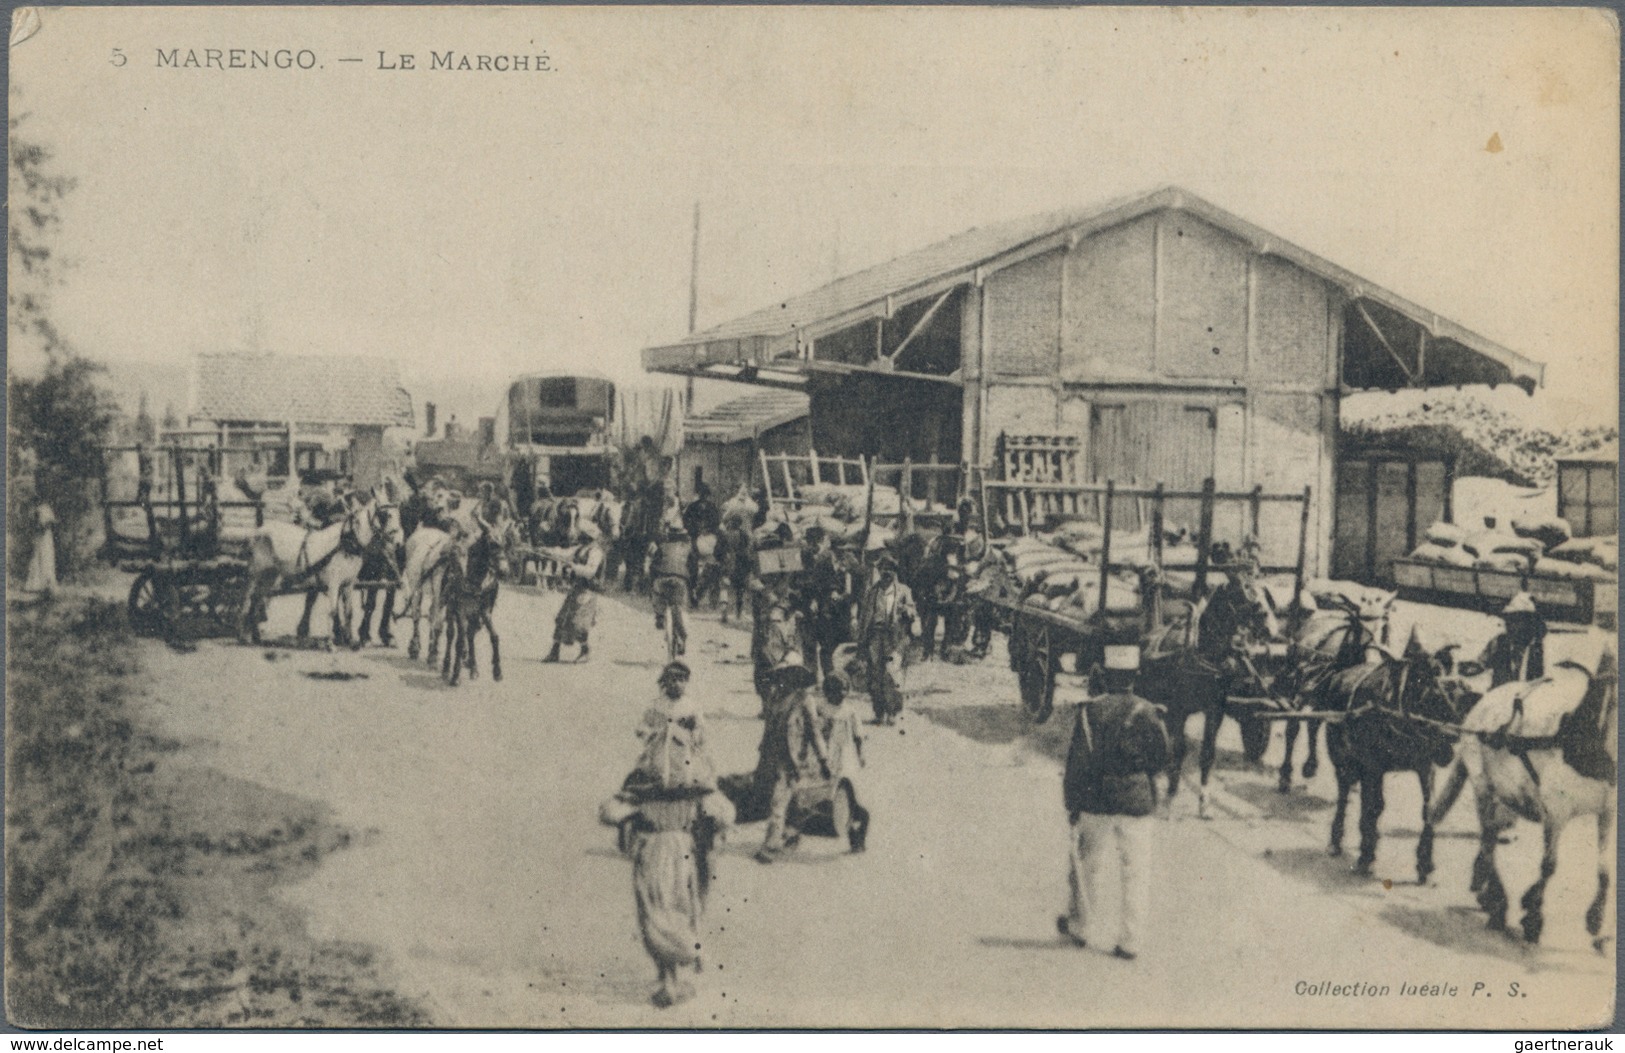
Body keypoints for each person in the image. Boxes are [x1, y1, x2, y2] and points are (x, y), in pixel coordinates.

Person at [611, 661, 734, 1008]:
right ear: (665, 682)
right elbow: (643, 732)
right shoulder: (655, 714)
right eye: (673, 679)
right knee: (665, 906)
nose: (678, 684)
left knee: (668, 906)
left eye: (684, 678)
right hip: (667, 847)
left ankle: (675, 970)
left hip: (671, 847)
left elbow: (702, 744)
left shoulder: (693, 780)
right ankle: (674, 971)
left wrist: (690, 735)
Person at [1057, 642, 1171, 961]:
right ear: (1135, 676)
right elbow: (1162, 757)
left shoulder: (1089, 712)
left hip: (1097, 800)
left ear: (1105, 676)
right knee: (1136, 872)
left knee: (1088, 865)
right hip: (1136, 802)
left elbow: (1076, 763)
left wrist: (1072, 804)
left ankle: (1081, 927)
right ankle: (1130, 941)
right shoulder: (1148, 711)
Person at [754, 662, 830, 864]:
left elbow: (814, 732)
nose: (786, 679)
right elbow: (769, 729)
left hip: (793, 758)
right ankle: (792, 831)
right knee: (791, 797)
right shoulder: (774, 698)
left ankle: (770, 845)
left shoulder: (805, 700)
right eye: (783, 675)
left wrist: (823, 759)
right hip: (773, 754)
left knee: (778, 801)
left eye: (791, 674)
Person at [857, 551, 917, 725]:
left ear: (895, 572)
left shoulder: (904, 591)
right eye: (883, 568)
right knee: (875, 675)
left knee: (892, 674)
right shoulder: (872, 592)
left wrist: (907, 611)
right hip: (875, 637)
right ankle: (879, 711)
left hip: (895, 638)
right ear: (879, 570)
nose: (887, 572)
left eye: (890, 569)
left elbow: (913, 611)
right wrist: (861, 641)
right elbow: (864, 617)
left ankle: (893, 712)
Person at [818, 671, 870, 851]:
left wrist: (860, 753)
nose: (840, 694)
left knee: (851, 797)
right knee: (825, 793)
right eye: (835, 691)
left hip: (845, 756)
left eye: (844, 690)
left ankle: (857, 839)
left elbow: (858, 734)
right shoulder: (821, 709)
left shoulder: (849, 711)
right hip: (827, 755)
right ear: (827, 692)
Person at [545, 532, 606, 663]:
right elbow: (564, 553)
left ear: (588, 537)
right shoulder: (580, 549)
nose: (579, 536)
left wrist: (574, 567)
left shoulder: (595, 552)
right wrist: (547, 550)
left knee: (578, 622)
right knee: (562, 618)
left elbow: (590, 572)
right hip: (576, 589)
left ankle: (585, 651)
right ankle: (554, 652)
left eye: (582, 534)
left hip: (588, 591)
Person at [649, 522, 692, 656]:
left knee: (657, 595)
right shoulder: (688, 549)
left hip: (662, 579)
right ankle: (682, 636)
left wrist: (651, 581)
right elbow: (693, 569)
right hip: (680, 580)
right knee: (679, 606)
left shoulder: (661, 547)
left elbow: (653, 566)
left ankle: (660, 616)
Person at [25, 499, 57, 597]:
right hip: (40, 536)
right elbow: (35, 523)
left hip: (46, 536)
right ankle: (36, 584)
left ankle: (46, 583)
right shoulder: (36, 509)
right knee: (39, 556)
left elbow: (52, 522)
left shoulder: (46, 508)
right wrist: (40, 525)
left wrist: (47, 524)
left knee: (46, 556)